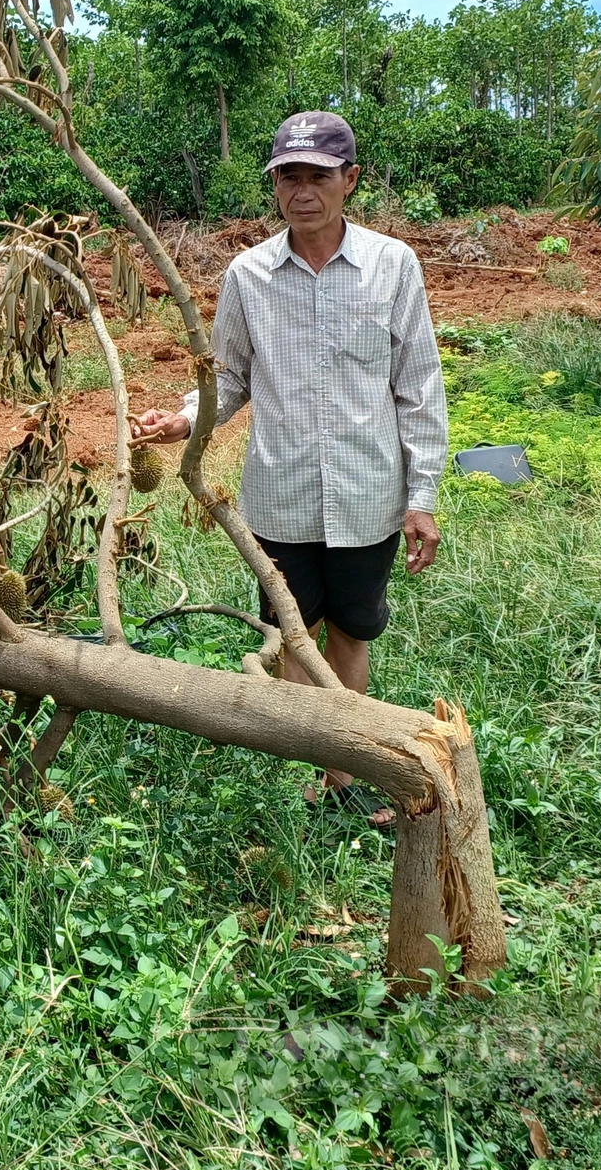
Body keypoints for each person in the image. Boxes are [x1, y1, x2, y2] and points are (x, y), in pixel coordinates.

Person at [132, 110, 447, 823]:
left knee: (350, 633)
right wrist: (184, 418)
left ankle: (344, 771)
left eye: (319, 176)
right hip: (280, 497)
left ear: (349, 181)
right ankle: (314, 772)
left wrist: (420, 495)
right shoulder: (249, 276)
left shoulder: (393, 266)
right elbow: (232, 377)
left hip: (369, 493)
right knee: (293, 633)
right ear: (274, 185)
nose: (303, 191)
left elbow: (419, 386)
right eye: (289, 177)